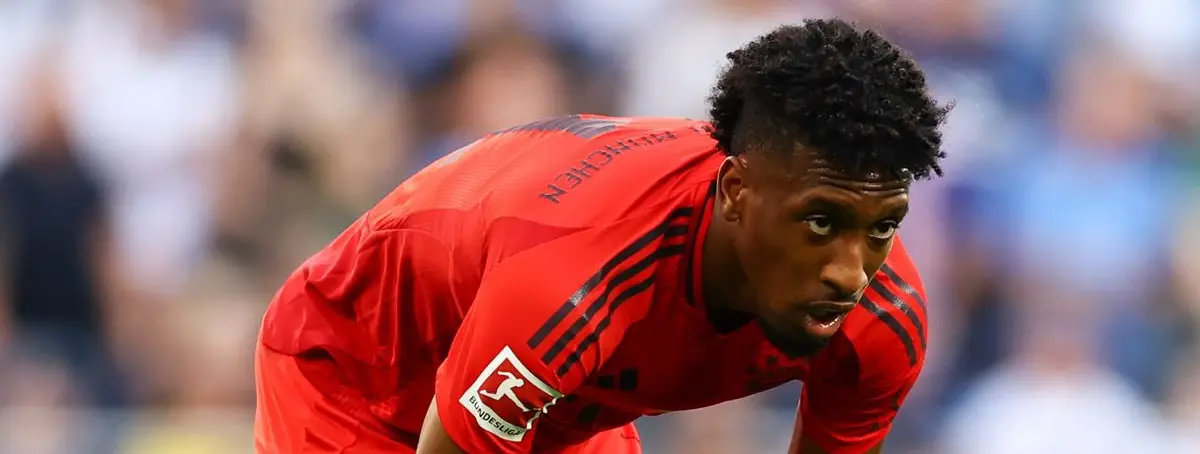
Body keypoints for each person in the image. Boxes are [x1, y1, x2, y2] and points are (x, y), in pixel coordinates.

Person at [254, 19, 948, 454]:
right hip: (359, 371)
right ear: (736, 193)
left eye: (883, 226)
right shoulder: (578, 279)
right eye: (821, 223)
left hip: (555, 399)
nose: (850, 274)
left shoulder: (883, 319)